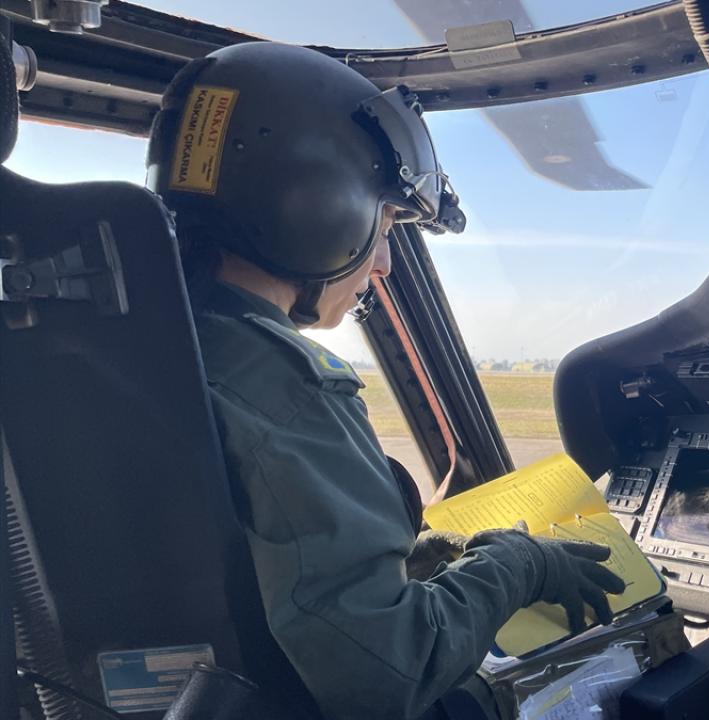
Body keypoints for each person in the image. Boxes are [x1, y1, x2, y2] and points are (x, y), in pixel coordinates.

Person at [144, 41, 625, 719]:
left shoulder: (153, 344)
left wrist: (417, 562)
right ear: (323, 205)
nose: (386, 264)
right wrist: (522, 564)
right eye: (390, 220)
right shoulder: (283, 390)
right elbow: (392, 672)